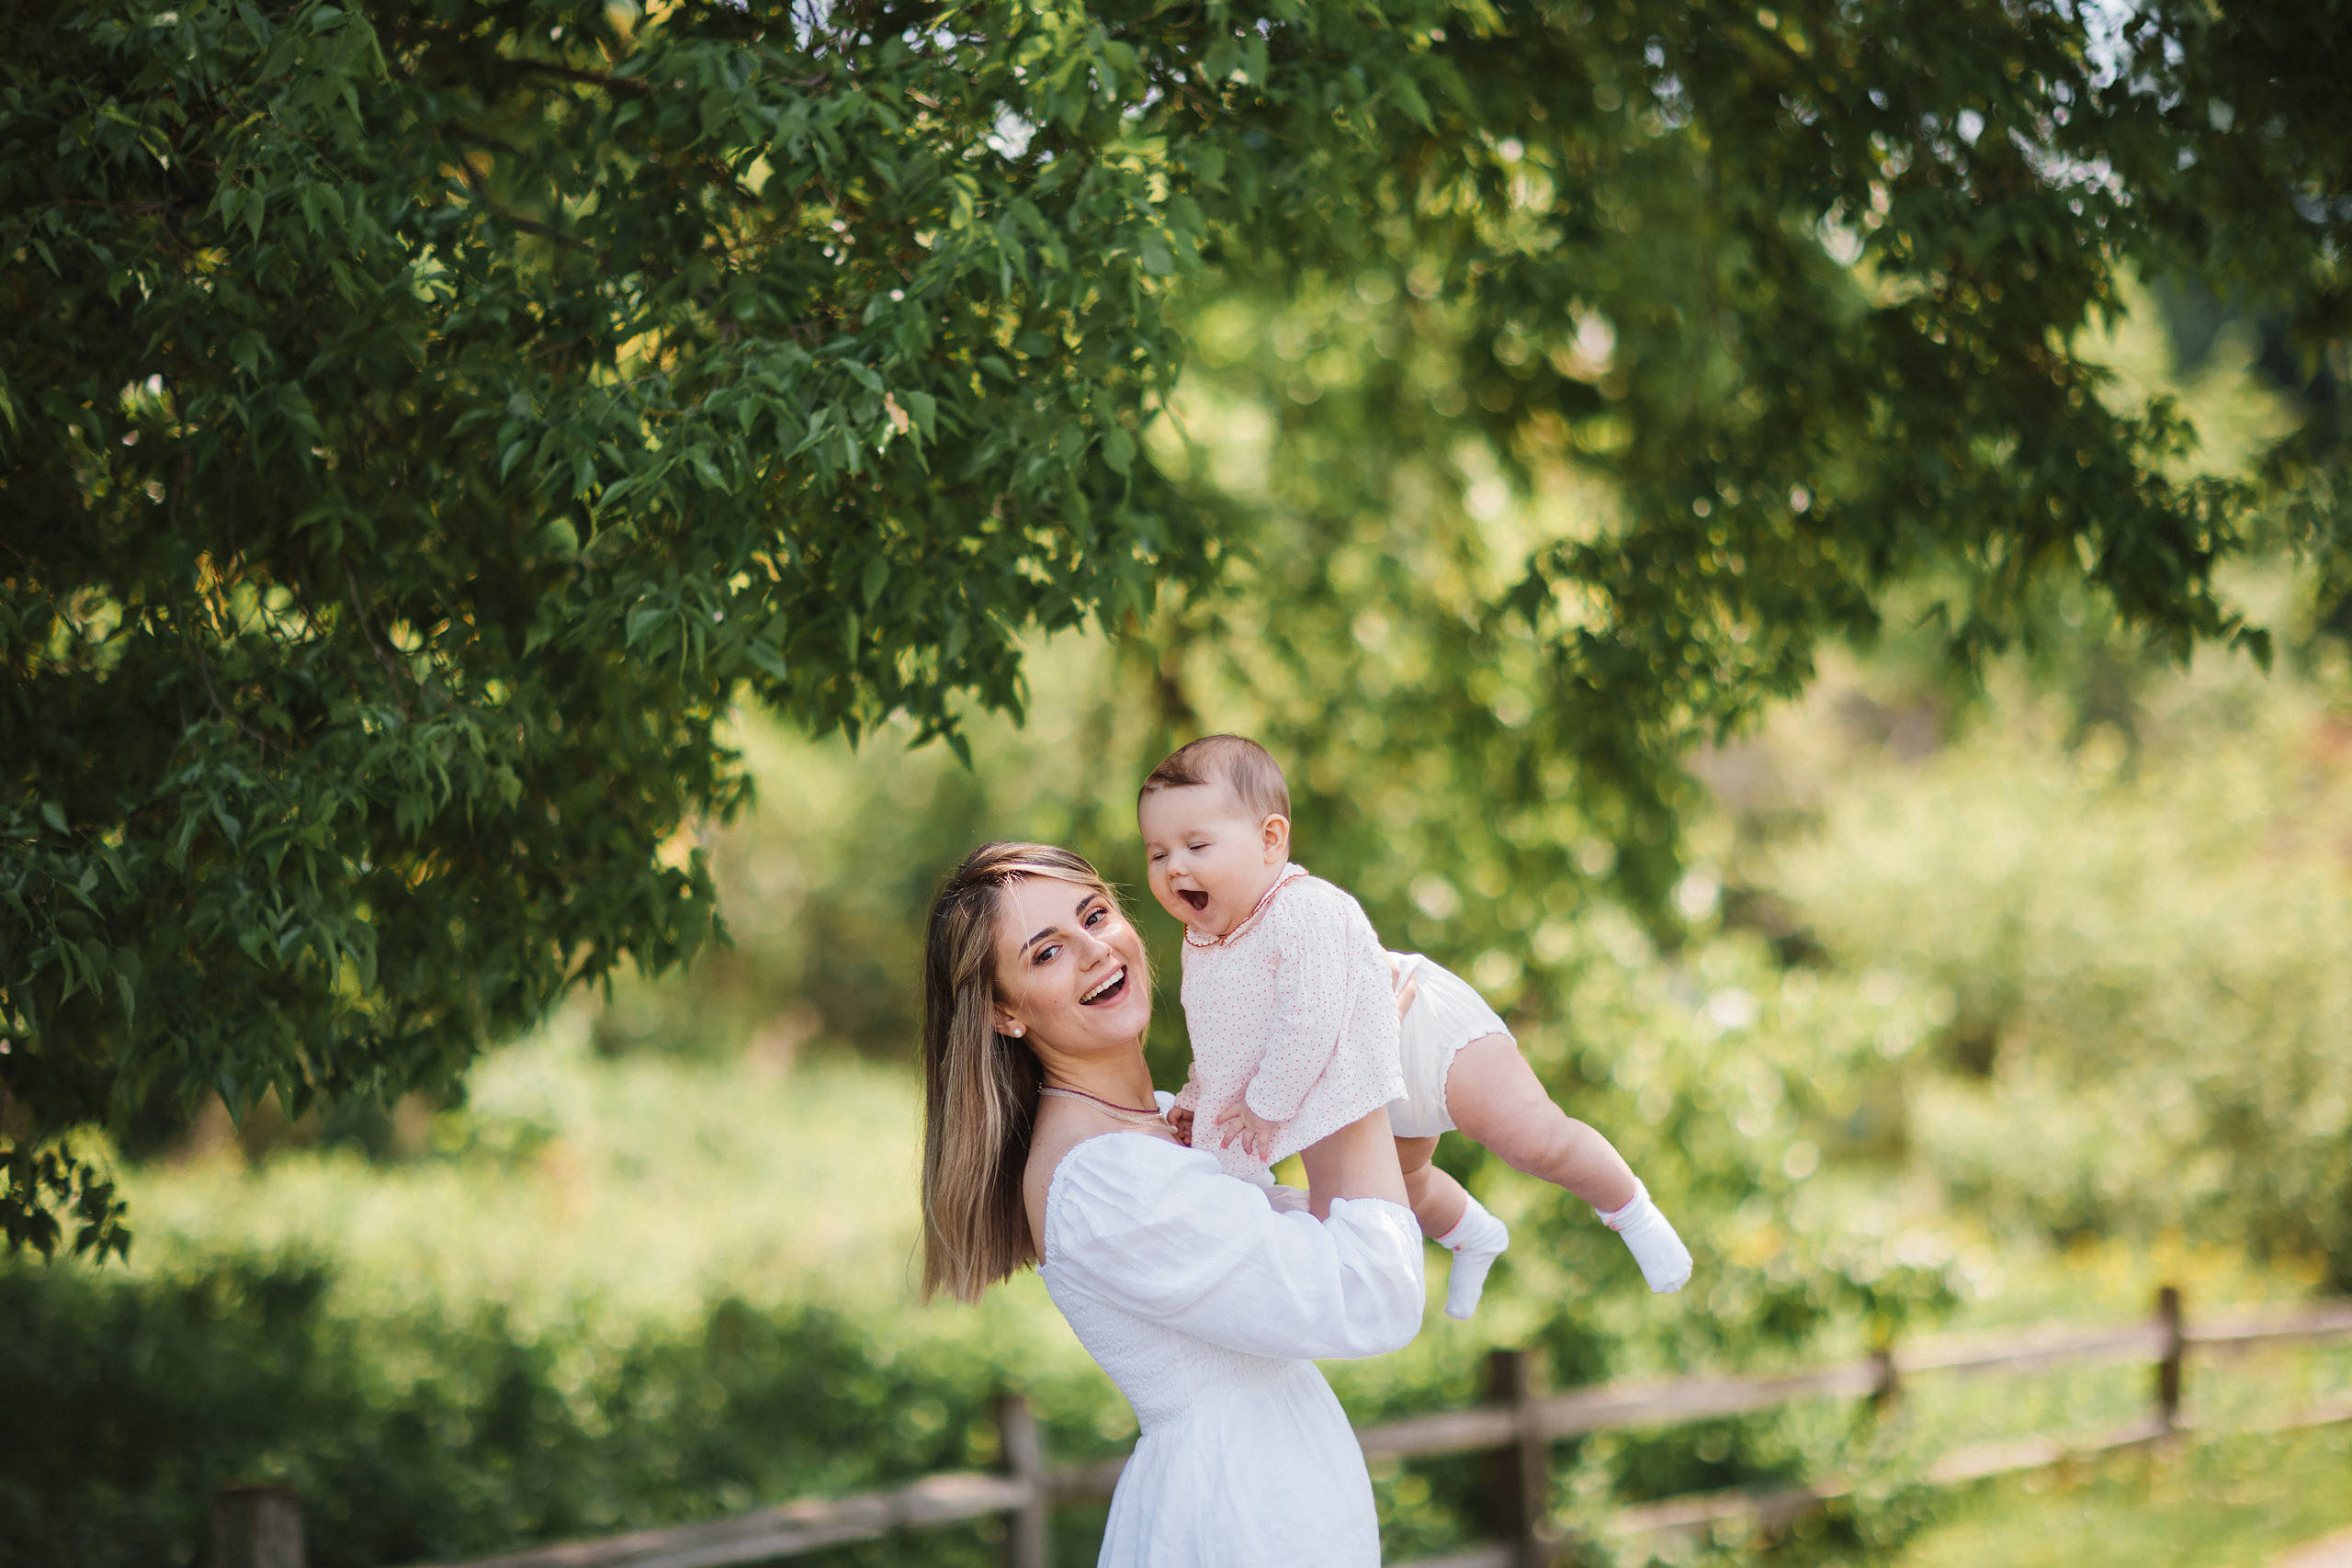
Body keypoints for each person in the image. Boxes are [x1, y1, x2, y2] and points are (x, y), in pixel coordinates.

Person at [920, 840, 1426, 1568]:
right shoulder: (1104, 1179)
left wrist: (1334, 1046)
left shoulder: (1166, 1121)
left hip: (1285, 1499)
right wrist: (1350, 1057)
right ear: (1003, 1012)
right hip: (1237, 1520)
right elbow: (1374, 1295)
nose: (1095, 949)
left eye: (1095, 914)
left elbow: (1345, 1226)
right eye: (1047, 953)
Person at [1138, 734, 1694, 1319]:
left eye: (1197, 846)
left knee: (1535, 1140)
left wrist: (1264, 1105)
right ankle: (1473, 1236)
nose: (1175, 867)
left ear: (1270, 840)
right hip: (1342, 1077)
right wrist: (1201, 1097)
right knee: (1404, 1187)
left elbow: (1310, 1021)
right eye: (1157, 854)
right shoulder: (1203, 944)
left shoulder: (1306, 908)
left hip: (1418, 1035)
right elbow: (1223, 1036)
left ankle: (1630, 1209)